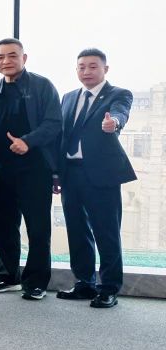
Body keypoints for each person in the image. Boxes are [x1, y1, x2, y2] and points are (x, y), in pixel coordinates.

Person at [0, 38, 62, 300]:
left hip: (33, 170)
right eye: (0, 57)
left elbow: (53, 123)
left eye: (12, 55)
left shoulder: (42, 86)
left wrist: (28, 141)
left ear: (24, 58)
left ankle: (36, 282)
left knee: (38, 228)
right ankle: (8, 276)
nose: (6, 61)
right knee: (0, 225)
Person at [57, 48, 136, 308]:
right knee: (77, 231)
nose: (87, 71)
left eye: (93, 66)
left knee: (106, 232)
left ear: (105, 69)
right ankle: (84, 283)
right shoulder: (69, 97)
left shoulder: (118, 94)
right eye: (81, 67)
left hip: (102, 175)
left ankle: (109, 288)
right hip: (70, 173)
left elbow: (120, 113)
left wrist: (114, 123)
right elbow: (62, 136)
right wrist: (56, 173)